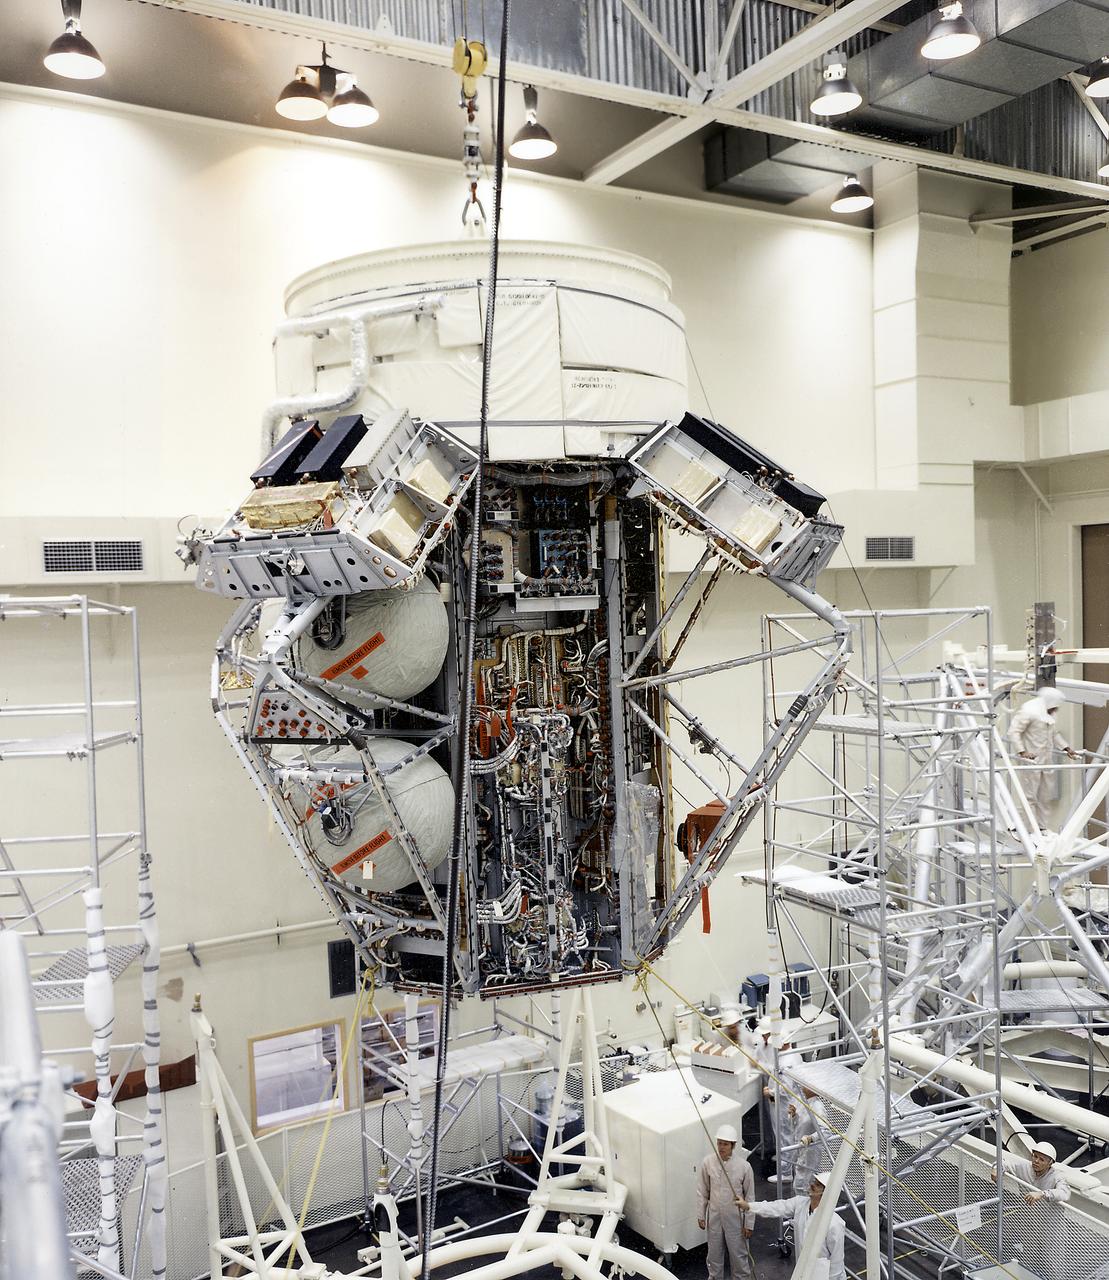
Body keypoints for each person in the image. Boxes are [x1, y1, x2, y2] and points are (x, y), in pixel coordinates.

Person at [738, 1172, 845, 1280]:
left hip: (823, 1275)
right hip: (803, 1269)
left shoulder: (834, 1223)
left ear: (826, 1193)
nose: (812, 1185)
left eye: (817, 1185)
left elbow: (837, 1263)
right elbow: (776, 1207)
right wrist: (749, 1206)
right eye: (814, 1182)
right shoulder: (801, 1203)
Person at [1008, 689, 1078, 829]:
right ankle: (1022, 828)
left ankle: (1042, 827)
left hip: (1046, 759)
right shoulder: (1029, 711)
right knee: (1029, 796)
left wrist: (1066, 748)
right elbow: (1014, 731)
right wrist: (1023, 752)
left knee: (1044, 796)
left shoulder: (1048, 713)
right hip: (1031, 760)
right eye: (1055, 706)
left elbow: (1053, 734)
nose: (1056, 709)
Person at [697, 1124, 755, 1280]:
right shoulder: (708, 1162)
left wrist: (749, 1224)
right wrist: (701, 1215)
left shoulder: (744, 1167)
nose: (721, 1147)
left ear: (733, 1145)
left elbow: (750, 1197)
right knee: (714, 1255)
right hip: (714, 1218)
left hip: (736, 1220)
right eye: (719, 1143)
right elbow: (702, 1191)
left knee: (739, 1256)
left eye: (725, 1144)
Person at [991, 1141, 1071, 1204]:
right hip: (1026, 1219)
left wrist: (1042, 1194)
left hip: (1049, 1222)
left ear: (1050, 1163)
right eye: (1035, 1156)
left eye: (1041, 1159)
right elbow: (1004, 1162)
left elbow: (1064, 1193)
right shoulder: (1024, 1167)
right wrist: (996, 1169)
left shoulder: (1058, 1176)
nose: (1036, 1161)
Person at [790, 1085, 829, 1190]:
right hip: (800, 1147)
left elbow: (826, 1131)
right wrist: (793, 1116)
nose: (803, 1086)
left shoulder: (817, 1107)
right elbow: (798, 1126)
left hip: (810, 1150)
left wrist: (811, 1138)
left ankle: (805, 1204)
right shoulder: (803, 1102)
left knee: (803, 1183)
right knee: (799, 1178)